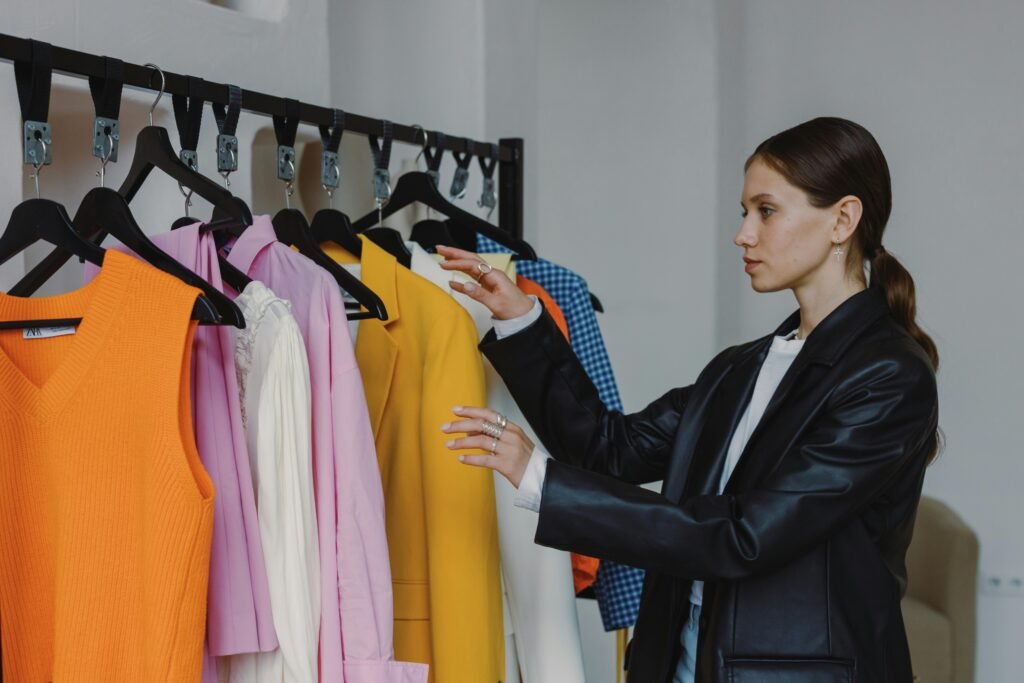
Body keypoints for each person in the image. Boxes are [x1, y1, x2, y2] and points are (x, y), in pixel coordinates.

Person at [435, 117, 940, 683]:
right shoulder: (741, 367)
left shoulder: (890, 376)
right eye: (744, 213)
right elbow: (609, 449)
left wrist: (540, 479)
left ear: (842, 219)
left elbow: (747, 534)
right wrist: (521, 320)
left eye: (766, 211)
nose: (743, 234)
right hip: (685, 659)